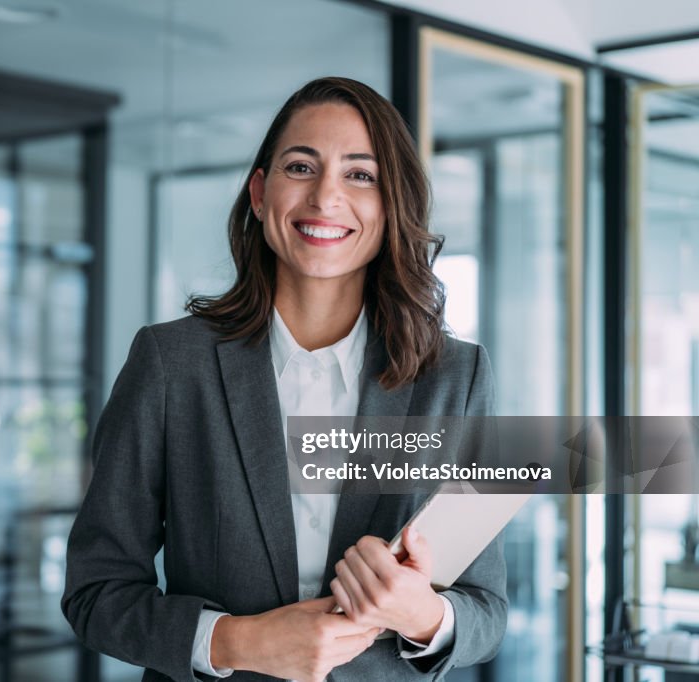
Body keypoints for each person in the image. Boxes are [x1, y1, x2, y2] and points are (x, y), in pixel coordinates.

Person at [62, 76, 507, 682]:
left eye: (360, 175)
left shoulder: (457, 376)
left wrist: (423, 614)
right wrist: (237, 642)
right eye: (301, 167)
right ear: (259, 192)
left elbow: (486, 610)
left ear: (391, 206)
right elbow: (96, 593)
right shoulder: (170, 363)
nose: (325, 197)